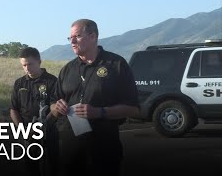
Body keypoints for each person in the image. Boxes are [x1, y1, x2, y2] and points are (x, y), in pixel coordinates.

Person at [50, 19, 140, 176]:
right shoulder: (67, 69)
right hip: (71, 151)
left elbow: (133, 108)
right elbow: (53, 103)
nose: (71, 41)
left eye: (77, 36)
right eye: (69, 37)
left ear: (93, 36)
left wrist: (99, 112)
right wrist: (56, 107)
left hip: (104, 149)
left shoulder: (116, 64)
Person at [9, 47, 58, 176]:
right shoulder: (19, 83)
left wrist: (39, 128)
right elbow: (13, 109)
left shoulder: (53, 82)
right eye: (24, 65)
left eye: (30, 64)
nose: (27, 68)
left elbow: (56, 109)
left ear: (39, 62)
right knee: (30, 168)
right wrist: (22, 129)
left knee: (50, 168)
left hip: (48, 133)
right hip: (26, 134)